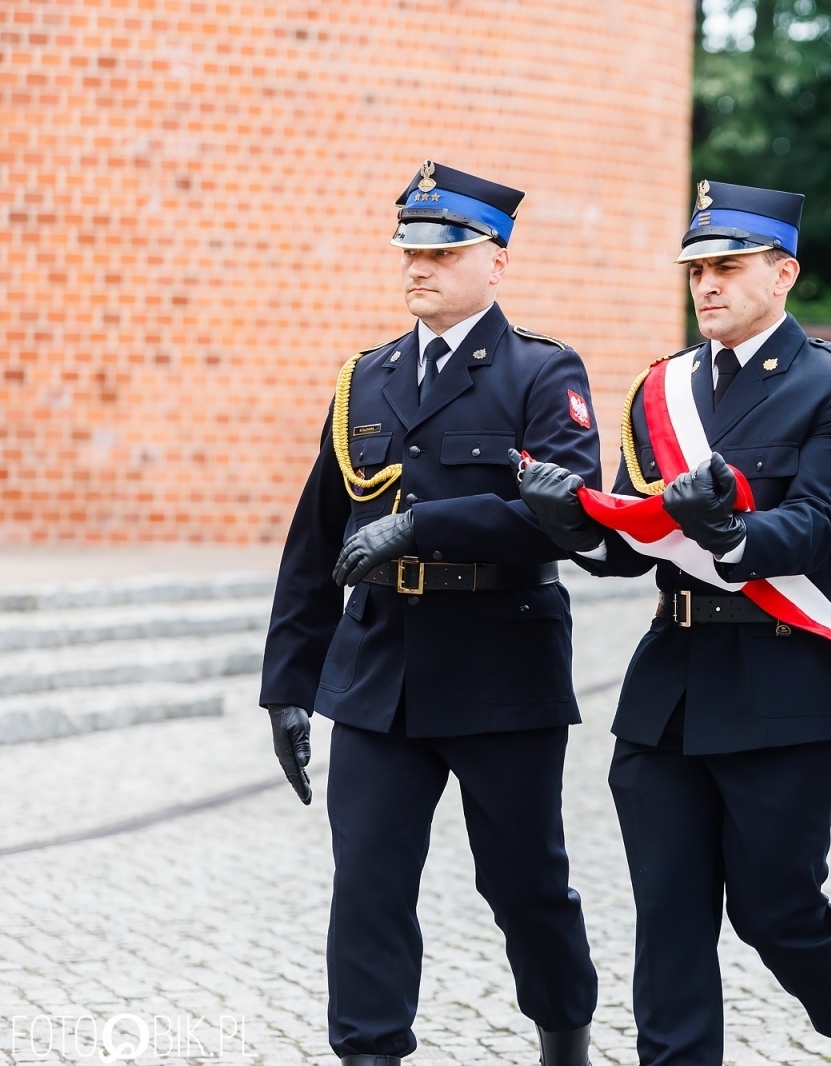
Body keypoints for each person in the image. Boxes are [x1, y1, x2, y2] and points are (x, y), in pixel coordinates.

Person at [515, 179, 831, 1066]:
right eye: (697, 268)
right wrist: (573, 522)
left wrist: (735, 531)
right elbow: (635, 538)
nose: (707, 284)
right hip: (673, 682)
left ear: (784, 274)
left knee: (777, 908)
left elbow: (819, 525)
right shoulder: (662, 388)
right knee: (668, 916)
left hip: (784, 680)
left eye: (728, 267)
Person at [258, 160, 601, 1066]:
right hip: (379, 672)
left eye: (442, 251)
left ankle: (564, 1040)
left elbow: (563, 520)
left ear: (495, 262)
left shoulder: (542, 372)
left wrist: (419, 529)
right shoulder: (365, 378)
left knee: (526, 884)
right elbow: (316, 538)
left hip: (502, 668)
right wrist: (289, 683)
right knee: (367, 884)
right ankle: (370, 1053)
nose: (419, 266)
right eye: (410, 249)